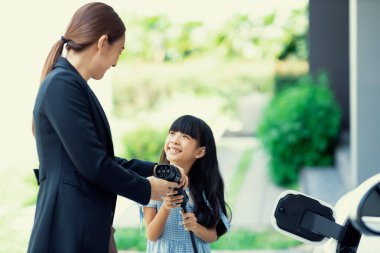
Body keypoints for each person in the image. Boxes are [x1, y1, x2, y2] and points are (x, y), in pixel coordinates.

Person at [27, 3, 187, 253]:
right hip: (67, 227)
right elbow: (94, 166)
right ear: (102, 42)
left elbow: (101, 160)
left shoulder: (72, 85)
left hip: (81, 223)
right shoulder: (62, 86)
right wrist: (147, 189)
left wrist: (159, 170)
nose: (115, 63)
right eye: (119, 51)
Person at [141, 115, 232, 253]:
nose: (175, 140)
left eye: (185, 137)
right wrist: (166, 206)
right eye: (172, 133)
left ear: (200, 151)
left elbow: (212, 236)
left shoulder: (205, 187)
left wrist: (196, 227)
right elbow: (151, 235)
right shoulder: (153, 185)